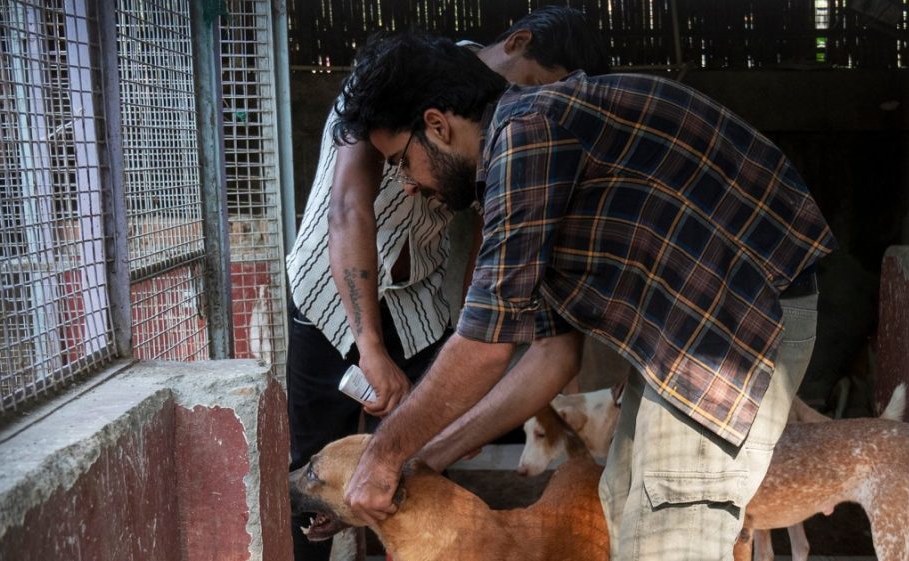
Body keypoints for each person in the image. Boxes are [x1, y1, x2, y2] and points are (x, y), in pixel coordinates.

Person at [331, 31, 835, 560]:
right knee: (620, 505)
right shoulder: (524, 153)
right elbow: (552, 355)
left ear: (437, 125)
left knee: (671, 531)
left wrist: (384, 455)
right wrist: (429, 456)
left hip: (738, 322)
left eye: (400, 162)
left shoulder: (528, 136)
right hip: (686, 329)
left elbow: (483, 347)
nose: (407, 184)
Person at [284, 8, 608, 560]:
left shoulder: (503, 130)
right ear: (518, 43)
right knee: (318, 474)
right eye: (538, 87)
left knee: (414, 471)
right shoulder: (394, 81)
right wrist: (369, 347)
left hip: (419, 307)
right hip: (330, 297)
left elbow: (494, 237)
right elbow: (347, 208)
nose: (539, 110)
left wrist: (474, 321)